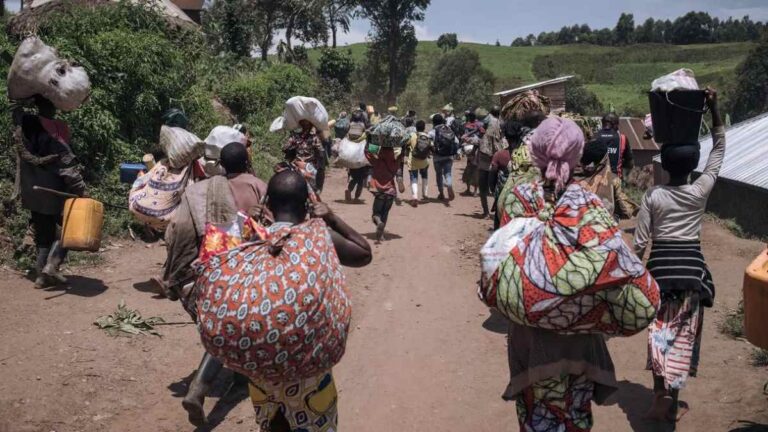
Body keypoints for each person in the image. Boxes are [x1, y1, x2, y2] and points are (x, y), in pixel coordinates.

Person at [502, 117, 618, 432]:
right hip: (580, 335)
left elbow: (501, 266)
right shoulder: (590, 203)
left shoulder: (518, 199)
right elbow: (609, 265)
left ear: (536, 153)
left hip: (530, 336)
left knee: (536, 414)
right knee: (575, 414)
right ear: (577, 154)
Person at [246, 169, 372, 432]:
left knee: (272, 426)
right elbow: (363, 253)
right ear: (308, 205)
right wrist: (331, 218)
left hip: (261, 366)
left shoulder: (253, 238)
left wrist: (250, 224)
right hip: (309, 371)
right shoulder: (317, 238)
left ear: (267, 205)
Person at [634, 88, 723, 424]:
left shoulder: (653, 195)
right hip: (691, 275)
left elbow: (640, 242)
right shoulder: (700, 191)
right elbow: (719, 149)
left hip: (659, 274)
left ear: (664, 165)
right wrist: (714, 108)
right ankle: (673, 398)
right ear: (692, 166)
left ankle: (659, 392)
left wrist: (630, 276)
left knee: (659, 331)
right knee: (684, 335)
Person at [163, 142, 269, 427]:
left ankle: (234, 378)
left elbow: (179, 230)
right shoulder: (259, 186)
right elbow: (268, 229)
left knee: (224, 324)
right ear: (247, 162)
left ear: (221, 165)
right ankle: (201, 387)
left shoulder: (202, 190)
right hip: (243, 270)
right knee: (233, 325)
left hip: (206, 269)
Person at [15, 95, 87, 288]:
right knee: (68, 230)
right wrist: (81, 191)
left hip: (32, 191)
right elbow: (67, 165)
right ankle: (52, 266)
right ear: (53, 108)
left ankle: (41, 277)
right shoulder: (56, 129)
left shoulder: (25, 125)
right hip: (54, 191)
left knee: (43, 234)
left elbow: (17, 115)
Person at [595, 113, 636, 218]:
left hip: (596, 180)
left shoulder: (594, 137)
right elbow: (629, 161)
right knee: (626, 212)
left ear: (603, 123)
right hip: (615, 179)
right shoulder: (622, 138)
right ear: (614, 124)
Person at [365, 144, 403, 242]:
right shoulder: (395, 163)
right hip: (390, 192)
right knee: (385, 214)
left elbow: (367, 153)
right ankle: (381, 236)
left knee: (376, 214)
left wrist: (368, 141)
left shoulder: (376, 161)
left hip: (379, 192)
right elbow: (401, 157)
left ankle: (378, 222)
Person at [282, 119, 324, 195]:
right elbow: (320, 152)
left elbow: (284, 148)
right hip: (308, 166)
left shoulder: (294, 136)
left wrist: (292, 144)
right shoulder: (314, 138)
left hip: (296, 164)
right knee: (315, 190)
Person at [477, 106, 503, 218]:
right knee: (497, 189)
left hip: (484, 159)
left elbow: (480, 140)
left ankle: (486, 212)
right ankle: (498, 212)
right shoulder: (501, 123)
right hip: (497, 160)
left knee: (482, 188)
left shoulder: (485, 123)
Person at [429, 114, 459, 202]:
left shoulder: (432, 132)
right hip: (449, 156)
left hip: (437, 157)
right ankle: (449, 184)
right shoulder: (449, 130)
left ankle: (441, 193)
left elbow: (428, 144)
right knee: (448, 173)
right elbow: (456, 141)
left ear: (433, 122)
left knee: (439, 175)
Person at [404, 119, 431, 206]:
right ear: (424, 127)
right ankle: (425, 194)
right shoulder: (427, 136)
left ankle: (415, 197)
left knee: (414, 178)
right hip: (424, 161)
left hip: (413, 161)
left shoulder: (412, 135)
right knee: (424, 176)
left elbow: (406, 144)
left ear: (416, 127)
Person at [345, 111, 369, 202]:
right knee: (361, 178)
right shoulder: (363, 125)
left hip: (351, 154)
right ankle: (356, 197)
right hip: (360, 154)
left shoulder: (350, 124)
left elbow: (346, 135)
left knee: (354, 176)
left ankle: (349, 190)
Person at [460, 111, 484, 196]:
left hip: (470, 150)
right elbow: (482, 135)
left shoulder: (467, 125)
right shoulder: (480, 124)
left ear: (469, 118)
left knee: (469, 170)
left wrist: (471, 133)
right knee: (476, 170)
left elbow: (464, 137)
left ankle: (468, 189)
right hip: (477, 151)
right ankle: (475, 191)